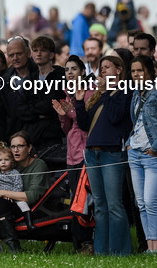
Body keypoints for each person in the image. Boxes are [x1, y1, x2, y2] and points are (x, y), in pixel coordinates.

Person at [75, 55, 133, 256]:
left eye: (107, 67)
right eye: (102, 69)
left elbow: (117, 116)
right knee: (99, 205)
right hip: (93, 153)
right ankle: (101, 251)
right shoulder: (100, 96)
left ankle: (120, 251)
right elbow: (84, 125)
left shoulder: (124, 91)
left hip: (112, 153)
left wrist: (107, 92)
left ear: (119, 70)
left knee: (114, 204)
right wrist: (80, 103)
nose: (103, 72)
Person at [52, 55, 94, 252]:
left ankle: (88, 242)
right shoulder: (67, 93)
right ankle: (78, 243)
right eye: (67, 69)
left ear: (83, 72)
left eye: (74, 69)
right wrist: (63, 116)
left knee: (85, 199)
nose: (69, 73)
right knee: (75, 200)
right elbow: (67, 129)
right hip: (72, 153)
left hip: (86, 152)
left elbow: (85, 121)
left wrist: (71, 112)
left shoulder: (89, 92)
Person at [127, 55, 157, 253]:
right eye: (133, 71)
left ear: (149, 71)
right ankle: (149, 246)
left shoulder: (155, 94)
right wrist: (129, 144)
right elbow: (135, 122)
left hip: (151, 154)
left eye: (140, 70)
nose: (136, 74)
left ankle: (155, 247)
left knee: (150, 202)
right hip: (135, 153)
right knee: (140, 204)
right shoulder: (136, 94)